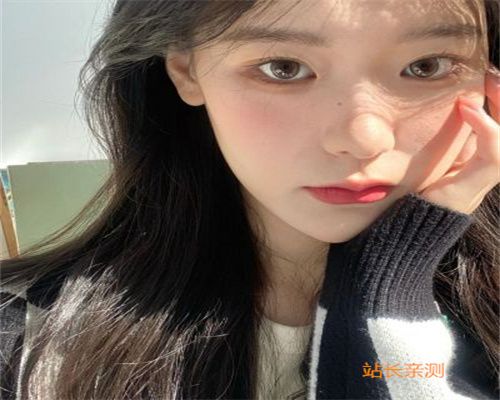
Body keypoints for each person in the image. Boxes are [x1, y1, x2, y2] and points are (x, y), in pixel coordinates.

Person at [1, 0, 499, 399]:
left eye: (426, 67)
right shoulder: (25, 339)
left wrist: (388, 287)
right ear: (186, 70)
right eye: (283, 68)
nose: (363, 137)